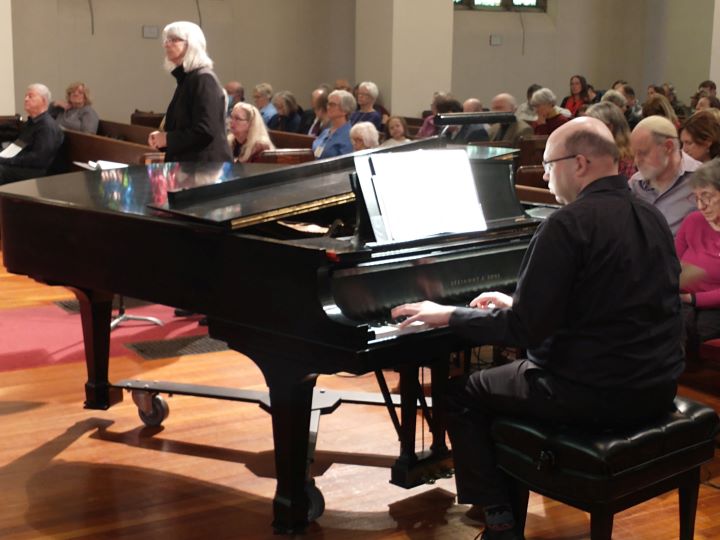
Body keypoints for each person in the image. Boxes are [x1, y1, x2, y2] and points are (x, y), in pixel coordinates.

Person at [391, 116, 683, 540]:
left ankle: (500, 520)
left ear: (579, 163)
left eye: (548, 165)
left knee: (465, 394)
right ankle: (505, 498)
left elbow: (523, 331)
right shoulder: (650, 215)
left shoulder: (566, 224)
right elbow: (611, 303)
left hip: (593, 391)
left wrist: (447, 314)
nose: (545, 176)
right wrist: (520, 303)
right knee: (500, 382)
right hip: (656, 385)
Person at [148, 21, 231, 163]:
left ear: (191, 44)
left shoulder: (204, 79)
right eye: (166, 40)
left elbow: (206, 131)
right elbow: (183, 126)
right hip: (189, 167)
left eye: (174, 40)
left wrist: (168, 139)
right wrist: (163, 139)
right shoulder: (186, 80)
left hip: (206, 169)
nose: (167, 44)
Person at [675, 158, 720, 364]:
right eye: (696, 197)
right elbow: (670, 263)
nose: (701, 205)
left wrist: (692, 300)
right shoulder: (693, 221)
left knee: (689, 327)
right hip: (682, 300)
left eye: (707, 197)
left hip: (714, 306)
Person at [629, 115, 701, 235]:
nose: (636, 161)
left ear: (668, 147)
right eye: (635, 154)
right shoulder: (635, 183)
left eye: (643, 153)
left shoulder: (703, 180)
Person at [0, 83, 64, 184]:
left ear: (43, 100)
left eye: (30, 96)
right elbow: (19, 146)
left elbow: (39, 159)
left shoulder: (46, 126)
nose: (26, 99)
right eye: (26, 96)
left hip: (37, 172)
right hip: (23, 164)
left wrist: (6, 160)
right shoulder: (31, 123)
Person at [586, 101, 636, 178]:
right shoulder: (588, 154)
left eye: (590, 126)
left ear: (609, 128)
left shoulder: (626, 162)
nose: (585, 132)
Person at [312, 89, 355, 159]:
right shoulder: (325, 132)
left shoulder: (350, 135)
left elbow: (346, 164)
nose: (328, 107)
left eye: (332, 104)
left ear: (345, 110)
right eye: (328, 104)